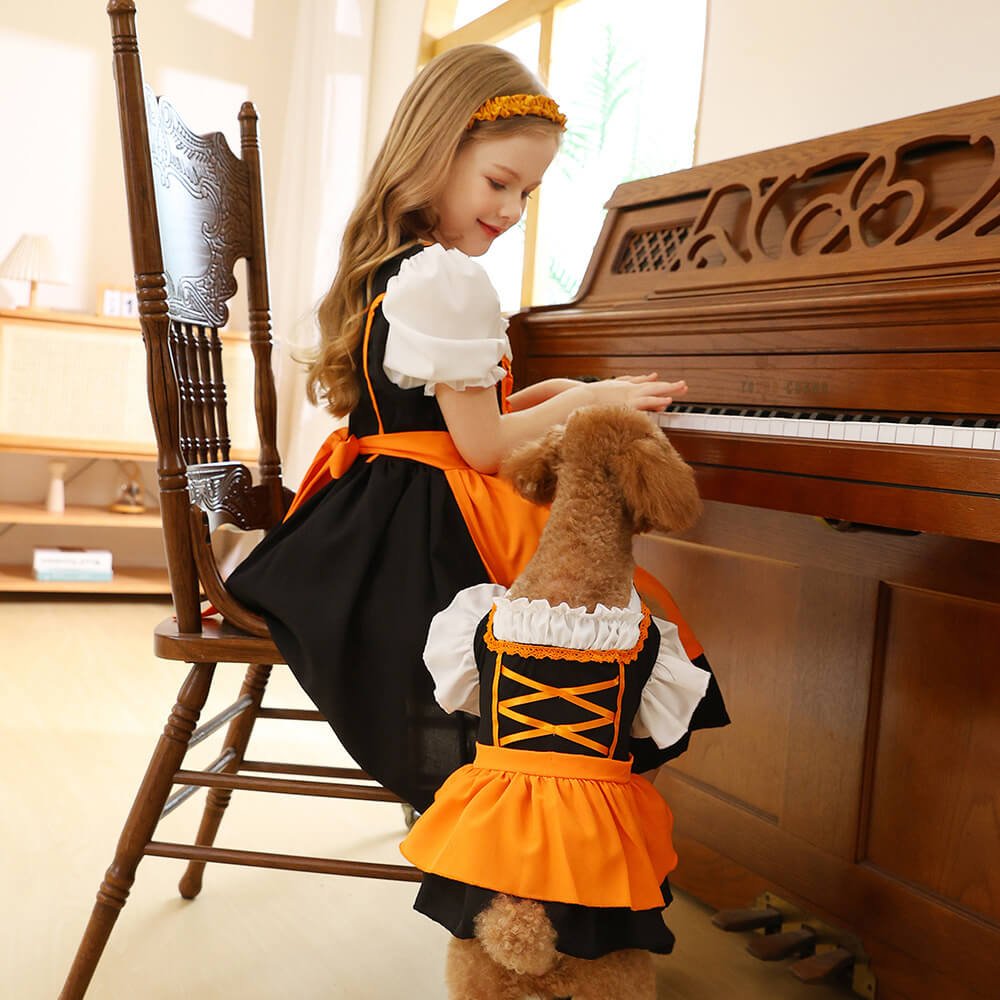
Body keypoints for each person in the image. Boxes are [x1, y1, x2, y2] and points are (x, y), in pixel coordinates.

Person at [226, 43, 729, 814]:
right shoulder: (447, 279)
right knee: (597, 636)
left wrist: (556, 393)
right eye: (500, 182)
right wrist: (592, 396)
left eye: (528, 193)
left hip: (368, 515)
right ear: (437, 148)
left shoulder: (401, 264)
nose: (511, 210)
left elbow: (448, 422)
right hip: (409, 534)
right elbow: (484, 448)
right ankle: (532, 832)